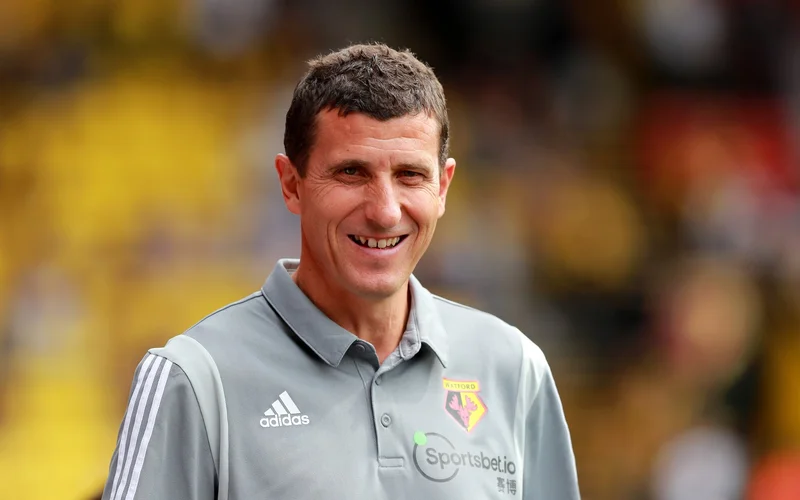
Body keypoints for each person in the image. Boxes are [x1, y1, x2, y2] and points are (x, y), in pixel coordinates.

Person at [101, 43, 580, 500]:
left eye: (410, 175)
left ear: (443, 187)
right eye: (352, 172)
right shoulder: (194, 378)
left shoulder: (515, 370)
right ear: (291, 185)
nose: (385, 212)